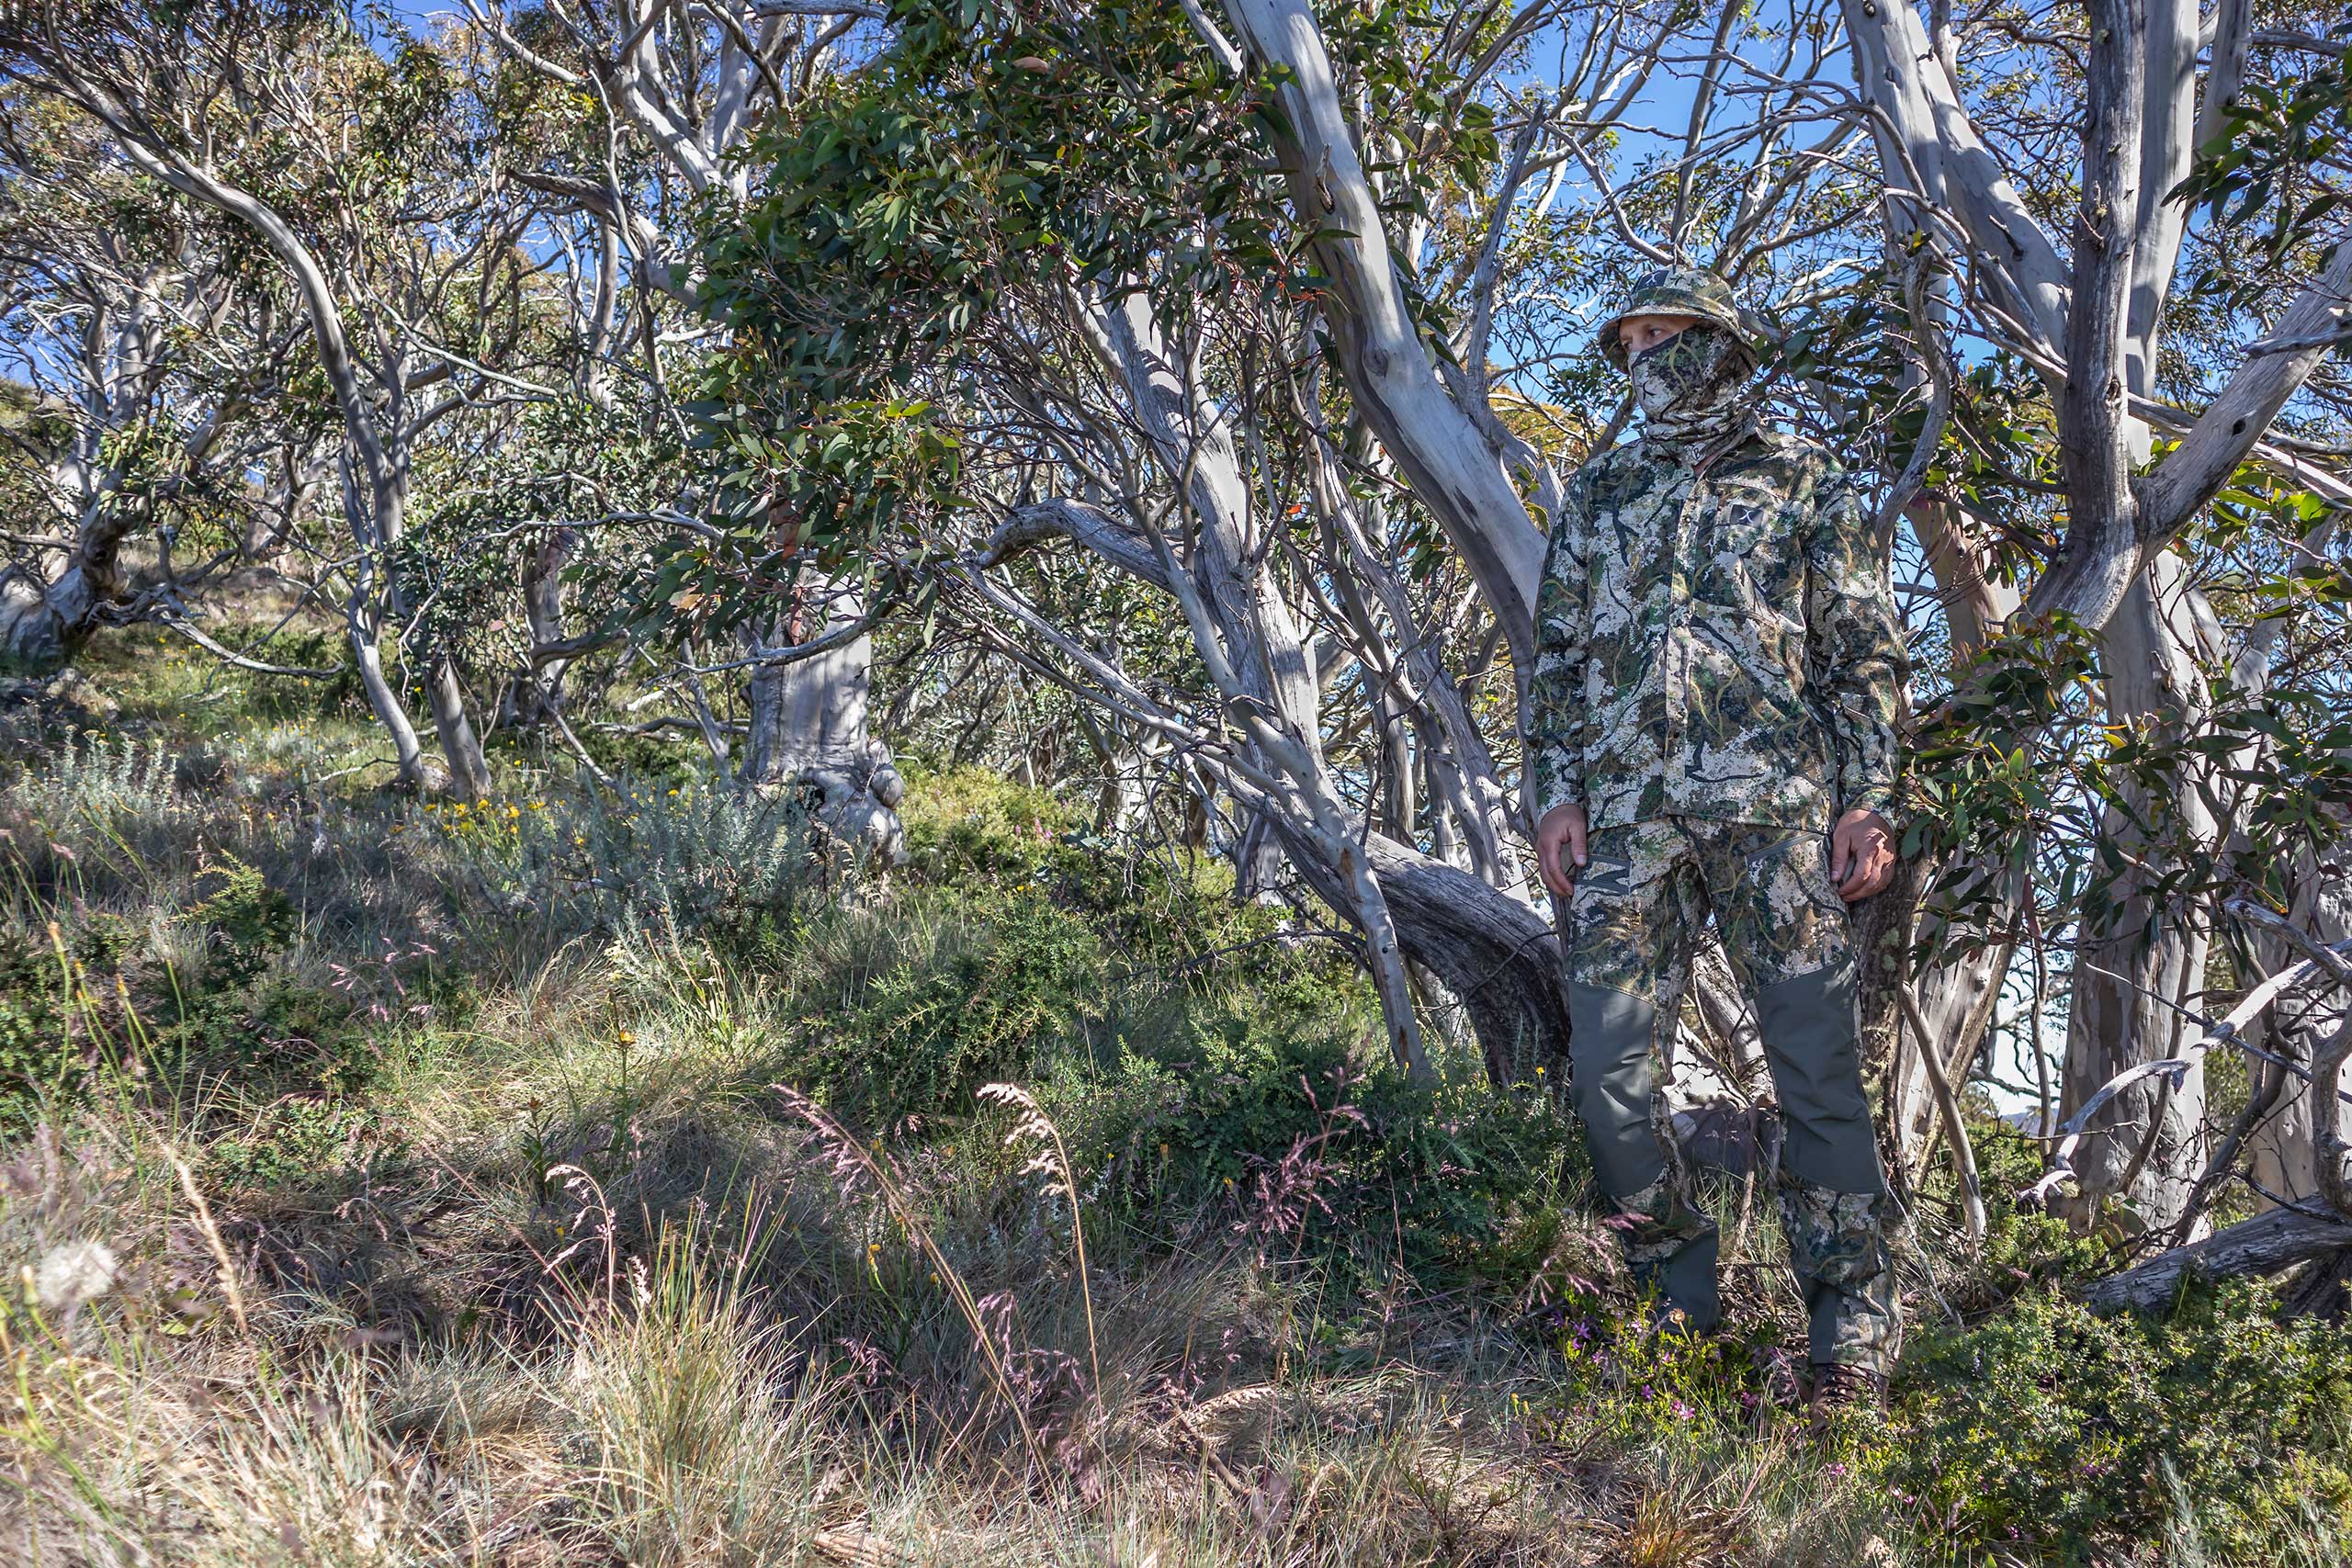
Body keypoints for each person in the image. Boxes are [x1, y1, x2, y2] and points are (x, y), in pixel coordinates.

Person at [1523, 265, 1908, 1425]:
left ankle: (1847, 1344)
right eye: (1630, 338)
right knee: (1609, 1080)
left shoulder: (1802, 480)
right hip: (1629, 827)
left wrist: (1866, 800)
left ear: (1723, 344)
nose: (1646, 355)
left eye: (1667, 335)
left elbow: (1862, 654)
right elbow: (1556, 664)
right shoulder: (1602, 491)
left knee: (1820, 1083)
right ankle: (1680, 1329)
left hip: (1778, 818)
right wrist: (1554, 794)